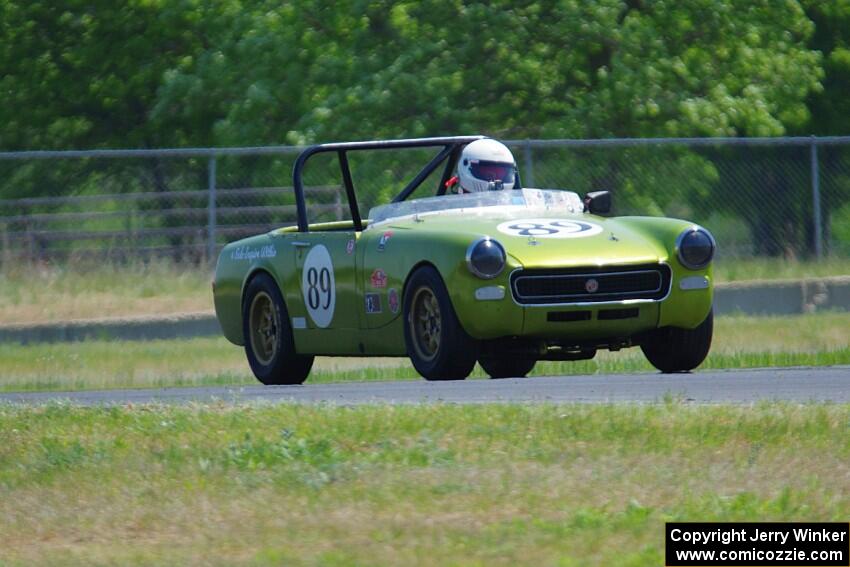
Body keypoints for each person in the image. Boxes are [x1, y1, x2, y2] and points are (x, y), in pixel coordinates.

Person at [445, 138, 518, 193]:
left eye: (500, 174)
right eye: (489, 174)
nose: (496, 181)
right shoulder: (453, 209)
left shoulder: (515, 209)